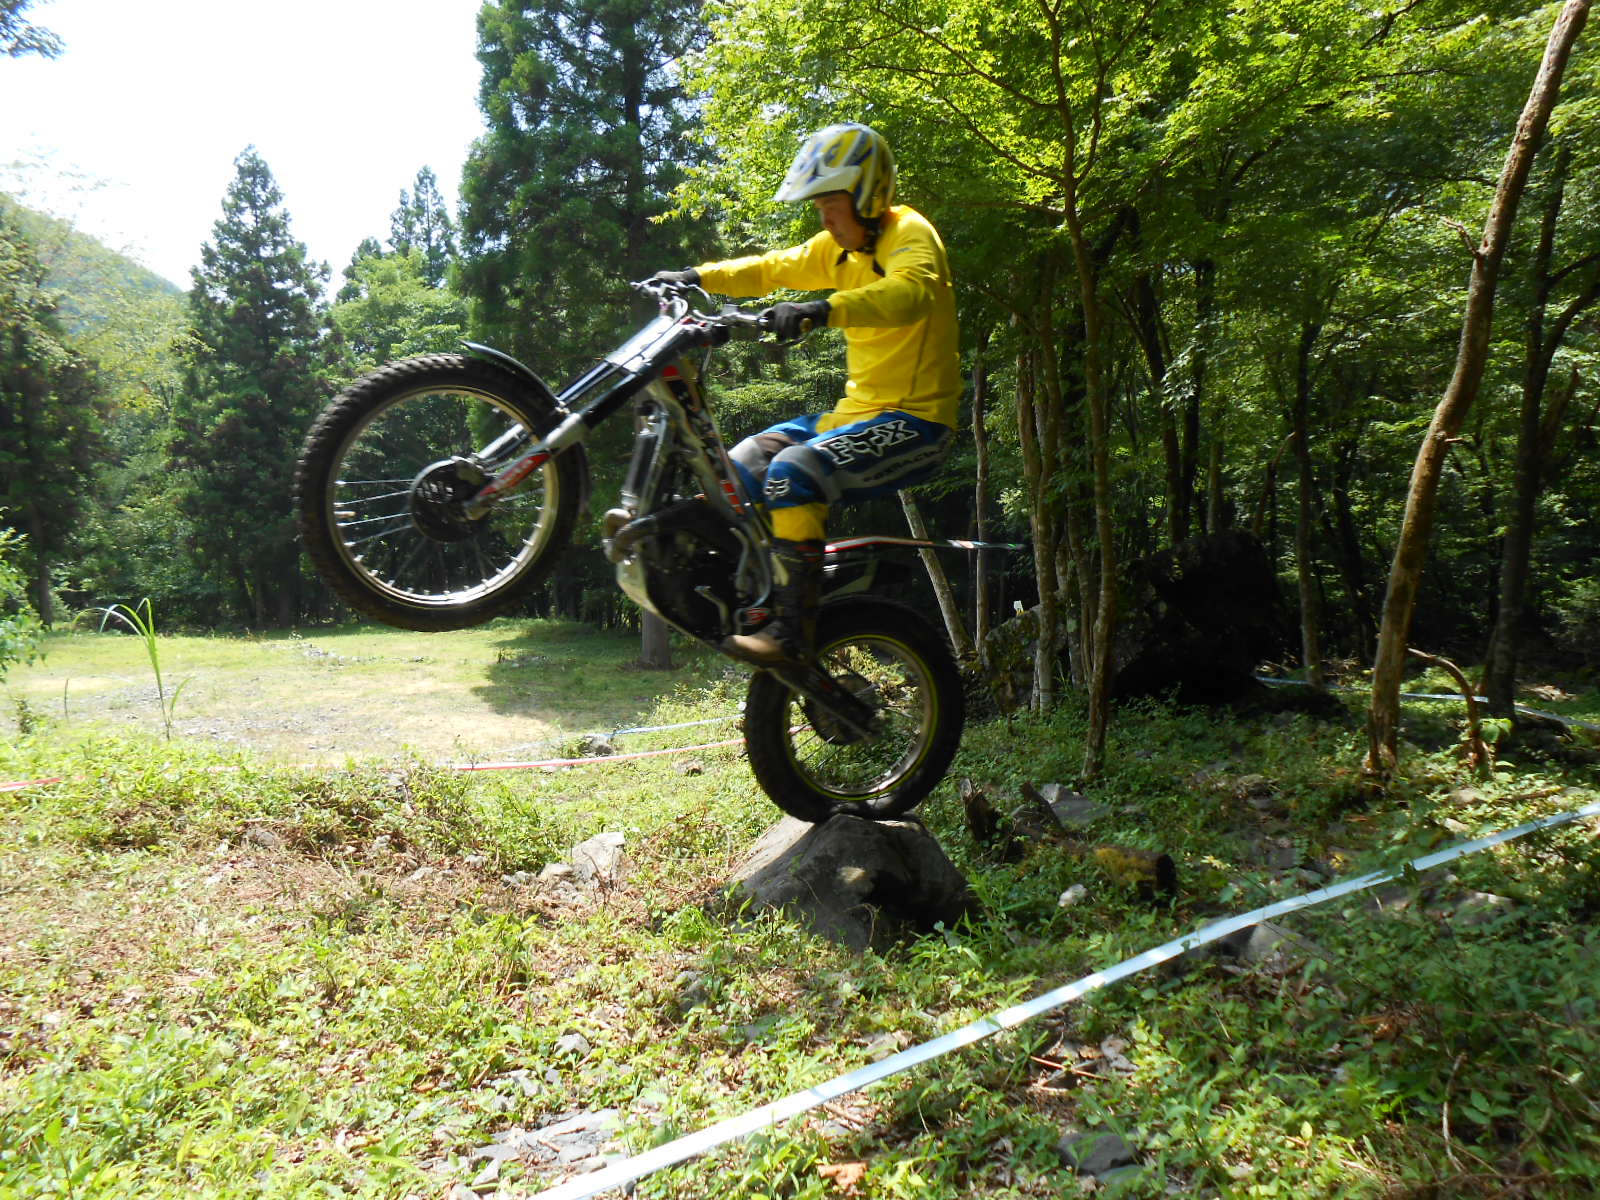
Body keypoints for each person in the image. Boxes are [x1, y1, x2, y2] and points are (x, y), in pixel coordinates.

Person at [653, 122, 962, 665]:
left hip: (917, 423)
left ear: (867, 195)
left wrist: (824, 310)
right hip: (852, 416)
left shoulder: (909, 234)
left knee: (795, 471)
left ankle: (793, 626)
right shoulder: (837, 250)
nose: (824, 218)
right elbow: (772, 268)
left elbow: (911, 294)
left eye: (831, 205)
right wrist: (696, 275)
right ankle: (733, 593)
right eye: (819, 208)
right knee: (736, 468)